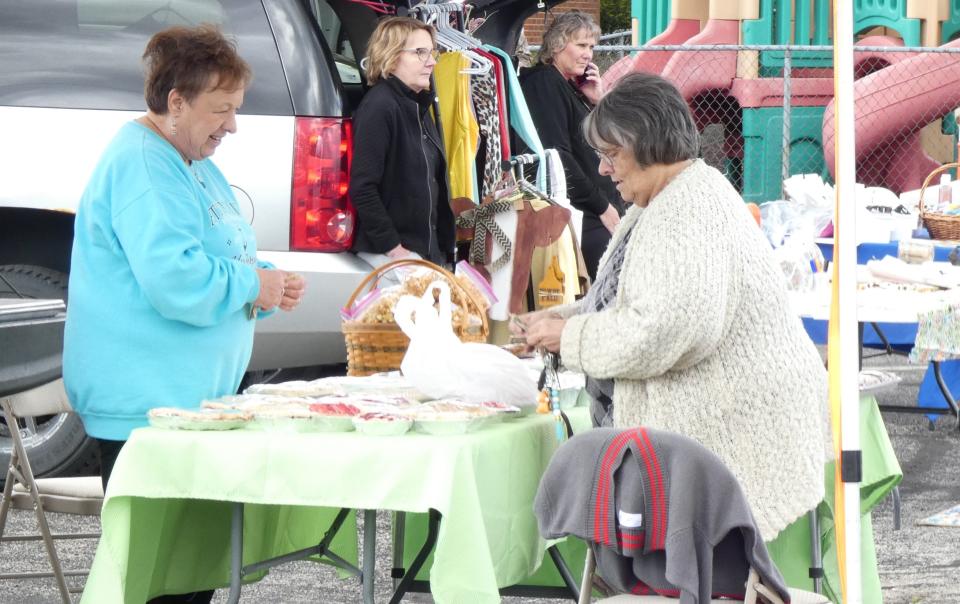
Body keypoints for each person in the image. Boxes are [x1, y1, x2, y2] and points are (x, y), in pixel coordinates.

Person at [513, 73, 830, 543]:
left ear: (645, 142)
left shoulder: (689, 211)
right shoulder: (662, 201)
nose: (603, 170)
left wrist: (569, 337)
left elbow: (667, 327)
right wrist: (563, 319)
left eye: (611, 154)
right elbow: (631, 300)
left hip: (737, 434)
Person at [63, 25, 303, 602]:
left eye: (236, 109)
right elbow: (175, 280)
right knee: (159, 583)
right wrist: (254, 285)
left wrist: (263, 279)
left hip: (186, 406)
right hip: (147, 410)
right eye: (221, 109)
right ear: (176, 102)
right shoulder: (146, 163)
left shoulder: (186, 156)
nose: (233, 125)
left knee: (188, 577)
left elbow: (220, 249)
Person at [519, 11, 624, 280]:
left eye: (591, 47)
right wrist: (602, 207)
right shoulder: (544, 83)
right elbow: (557, 157)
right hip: (583, 214)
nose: (588, 54)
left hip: (595, 212)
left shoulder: (570, 88)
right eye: (580, 45)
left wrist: (596, 101)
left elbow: (605, 140)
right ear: (556, 45)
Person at [349, 16, 455, 270]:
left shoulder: (418, 105)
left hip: (424, 255)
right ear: (392, 55)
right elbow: (363, 188)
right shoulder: (380, 106)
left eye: (432, 53)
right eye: (420, 52)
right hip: (397, 258)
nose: (431, 61)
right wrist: (395, 249)